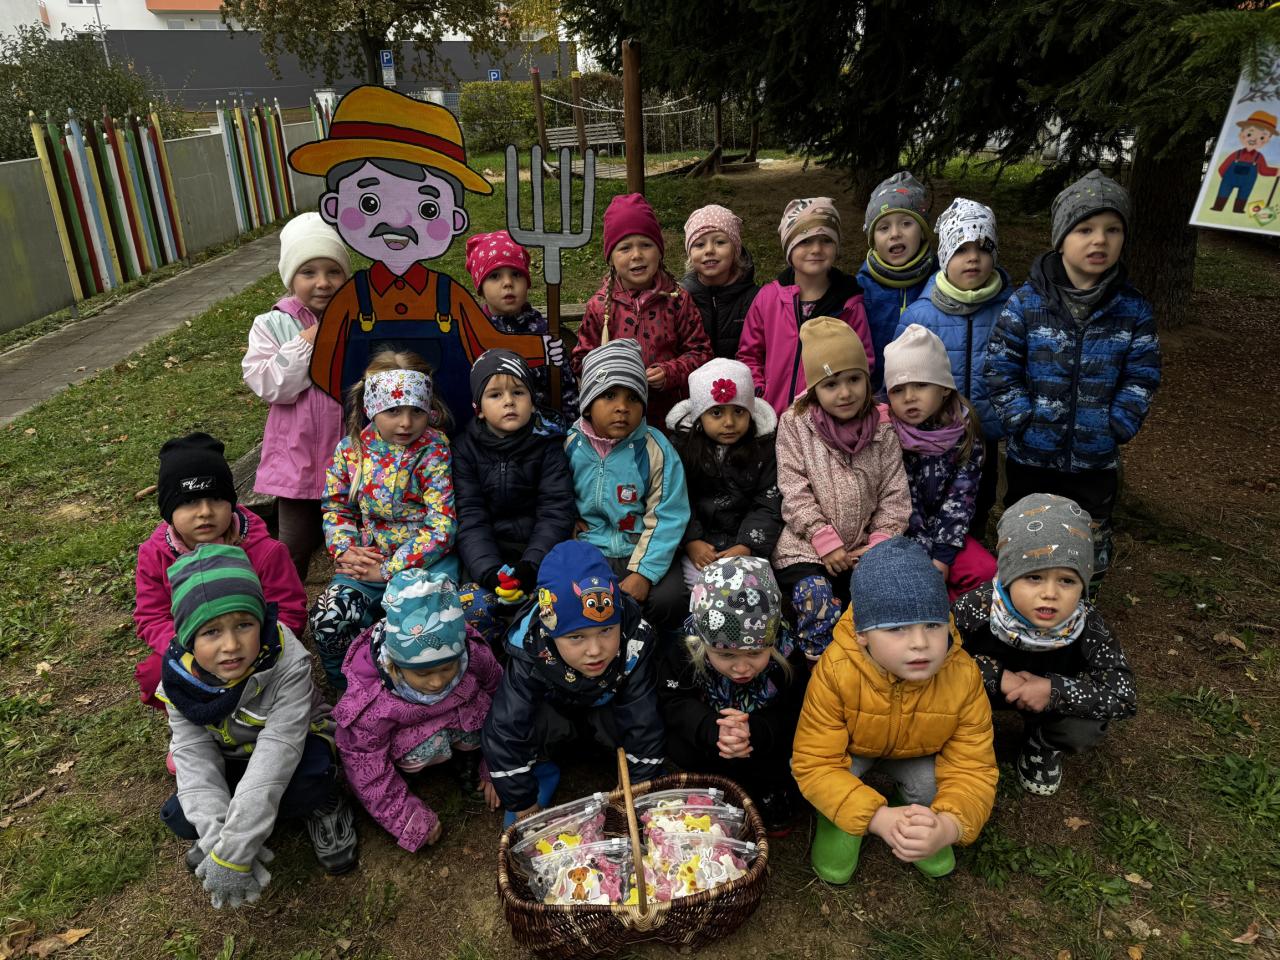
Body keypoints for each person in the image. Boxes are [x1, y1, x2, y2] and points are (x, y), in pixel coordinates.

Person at [288, 86, 563, 430]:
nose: (399, 219)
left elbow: (488, 344)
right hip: (380, 445)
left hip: (450, 441)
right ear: (333, 207)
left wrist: (541, 348)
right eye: (370, 203)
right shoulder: (353, 299)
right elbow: (326, 367)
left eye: (427, 209)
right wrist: (367, 419)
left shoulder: (447, 295)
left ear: (456, 220)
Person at [984, 169, 1161, 591]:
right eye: (1085, 229)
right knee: (1026, 534)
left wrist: (1118, 423)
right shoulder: (1027, 303)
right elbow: (1000, 365)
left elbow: (1143, 373)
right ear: (1061, 238)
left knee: (1089, 539)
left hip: (1094, 460)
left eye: (1112, 229)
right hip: (1031, 455)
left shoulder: (1132, 310)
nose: (1100, 240)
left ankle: (1081, 607)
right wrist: (1021, 418)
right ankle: (1017, 605)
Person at [156, 544, 357, 908]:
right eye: (211, 632)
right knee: (182, 816)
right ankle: (242, 821)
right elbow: (193, 755)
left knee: (311, 782)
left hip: (293, 745)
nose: (231, 645)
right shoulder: (178, 680)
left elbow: (278, 750)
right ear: (188, 638)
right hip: (233, 753)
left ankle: (323, 805)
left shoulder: (287, 661)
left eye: (244, 625)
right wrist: (220, 842)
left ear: (261, 621)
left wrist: (237, 846)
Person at [793, 538, 997, 883]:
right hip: (851, 751)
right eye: (896, 628)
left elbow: (973, 767)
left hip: (917, 752)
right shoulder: (836, 671)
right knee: (833, 779)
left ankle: (918, 813)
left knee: (932, 784)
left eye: (933, 625)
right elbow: (815, 762)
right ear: (862, 634)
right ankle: (841, 822)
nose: (920, 643)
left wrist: (948, 826)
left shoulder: (962, 675)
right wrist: (876, 818)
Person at [951, 494, 1137, 796]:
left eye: (1067, 580)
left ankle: (1044, 742)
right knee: (939, 691)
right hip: (980, 690)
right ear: (1008, 576)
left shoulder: (1088, 624)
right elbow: (939, 656)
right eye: (1034, 577)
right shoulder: (978, 605)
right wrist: (996, 676)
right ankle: (961, 737)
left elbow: (1123, 694)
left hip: (1051, 701)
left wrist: (1053, 691)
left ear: (1084, 584)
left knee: (1084, 726)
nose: (1050, 593)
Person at [482, 540, 664, 823]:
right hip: (556, 712)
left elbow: (644, 719)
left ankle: (628, 773)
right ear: (550, 630)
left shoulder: (634, 641)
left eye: (606, 630)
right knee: (525, 720)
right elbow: (505, 730)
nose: (595, 650)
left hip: (605, 708)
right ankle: (540, 770)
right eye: (576, 637)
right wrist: (521, 801)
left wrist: (640, 786)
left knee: (638, 724)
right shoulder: (530, 649)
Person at [310, 351, 456, 691]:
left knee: (425, 624)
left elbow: (442, 526)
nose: (405, 423)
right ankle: (351, 690)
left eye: (416, 411)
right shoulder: (351, 450)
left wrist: (391, 569)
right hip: (366, 560)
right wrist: (345, 550)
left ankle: (423, 690)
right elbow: (336, 508)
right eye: (393, 411)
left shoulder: (434, 450)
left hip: (424, 564)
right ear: (372, 407)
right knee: (330, 616)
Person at [134, 433, 306, 713]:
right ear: (168, 510)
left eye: (216, 499)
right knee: (155, 675)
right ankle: (199, 717)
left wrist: (255, 647)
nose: (205, 512)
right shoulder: (154, 555)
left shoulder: (265, 551)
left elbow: (289, 610)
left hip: (253, 648)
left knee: (279, 677)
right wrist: (193, 649)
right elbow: (151, 616)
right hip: (193, 648)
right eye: (189, 502)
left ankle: (256, 710)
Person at [334, 570, 502, 851]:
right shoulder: (373, 699)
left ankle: (469, 757)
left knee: (485, 709)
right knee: (423, 746)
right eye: (423, 674)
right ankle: (419, 769)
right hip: (414, 743)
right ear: (394, 664)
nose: (437, 682)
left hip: (463, 722)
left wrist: (498, 766)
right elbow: (364, 762)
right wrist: (407, 819)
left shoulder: (474, 656)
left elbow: (503, 703)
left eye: (447, 668)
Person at [773, 317, 910, 661]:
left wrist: (879, 546)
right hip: (805, 549)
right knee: (817, 599)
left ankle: (868, 670)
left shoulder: (882, 428)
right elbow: (793, 488)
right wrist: (824, 539)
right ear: (815, 389)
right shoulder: (795, 424)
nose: (845, 392)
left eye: (853, 379)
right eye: (831, 384)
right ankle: (819, 673)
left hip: (865, 548)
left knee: (877, 604)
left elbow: (894, 494)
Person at [658, 557, 807, 834]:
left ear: (772, 640)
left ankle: (769, 790)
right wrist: (711, 728)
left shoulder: (787, 653)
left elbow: (797, 708)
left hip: (763, 741)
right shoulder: (686, 648)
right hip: (711, 740)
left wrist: (756, 730)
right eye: (725, 655)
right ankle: (710, 786)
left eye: (755, 653)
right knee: (677, 744)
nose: (741, 668)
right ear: (703, 642)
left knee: (795, 752)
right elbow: (673, 700)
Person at [241, 213, 351, 582]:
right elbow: (271, 385)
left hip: (352, 462)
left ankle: (351, 606)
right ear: (290, 278)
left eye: (333, 271)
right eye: (308, 272)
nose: (323, 282)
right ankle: (285, 611)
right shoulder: (272, 324)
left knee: (354, 545)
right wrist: (308, 342)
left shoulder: (359, 319)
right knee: (294, 548)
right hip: (297, 464)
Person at [897, 198, 1012, 537]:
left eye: (983, 248)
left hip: (986, 433)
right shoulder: (921, 314)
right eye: (961, 249)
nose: (973, 257)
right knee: (925, 499)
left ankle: (970, 545)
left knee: (979, 498)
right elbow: (900, 373)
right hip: (932, 433)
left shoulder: (1010, 309)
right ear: (945, 255)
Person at [565, 339, 691, 631]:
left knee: (669, 601)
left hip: (642, 548)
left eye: (633, 398)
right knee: (576, 598)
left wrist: (643, 573)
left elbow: (669, 515)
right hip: (589, 546)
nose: (622, 407)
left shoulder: (655, 449)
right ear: (588, 403)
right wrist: (566, 522)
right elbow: (554, 495)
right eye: (609, 395)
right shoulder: (570, 445)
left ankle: (655, 653)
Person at [452, 349, 576, 644]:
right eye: (495, 395)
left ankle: (533, 657)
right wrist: (489, 572)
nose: (509, 401)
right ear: (479, 408)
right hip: (487, 558)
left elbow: (555, 511)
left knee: (554, 608)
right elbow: (470, 516)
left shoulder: (548, 445)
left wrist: (530, 566)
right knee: (472, 608)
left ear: (532, 401)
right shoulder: (464, 449)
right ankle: (490, 658)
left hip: (537, 555)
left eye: (518, 392)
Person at [571, 193, 713, 428]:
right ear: (611, 258)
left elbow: (701, 353)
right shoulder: (600, 306)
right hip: (617, 421)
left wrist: (669, 373)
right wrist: (612, 374)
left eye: (646, 245)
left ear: (659, 251)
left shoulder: (677, 300)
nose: (637, 255)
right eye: (625, 248)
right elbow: (580, 361)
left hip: (668, 419)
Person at [881, 324, 996, 601]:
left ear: (944, 388)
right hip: (902, 535)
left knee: (985, 572)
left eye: (921, 384)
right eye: (898, 390)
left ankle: (953, 618)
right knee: (909, 583)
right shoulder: (887, 433)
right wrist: (924, 555)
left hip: (949, 533)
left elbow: (961, 497)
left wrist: (943, 555)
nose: (909, 397)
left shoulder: (963, 430)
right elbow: (904, 501)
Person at [737, 197, 873, 414]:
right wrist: (759, 393)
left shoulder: (849, 305)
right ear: (789, 247)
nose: (816, 249)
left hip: (823, 420)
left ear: (836, 246)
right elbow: (749, 355)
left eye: (826, 240)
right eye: (805, 241)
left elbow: (864, 362)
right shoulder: (768, 298)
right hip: (771, 415)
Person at [665, 357, 783, 589]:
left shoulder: (764, 448)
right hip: (699, 546)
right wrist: (691, 541)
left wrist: (747, 545)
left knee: (749, 592)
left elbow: (768, 501)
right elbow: (676, 498)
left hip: (745, 542)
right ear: (699, 416)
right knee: (700, 592)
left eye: (739, 411)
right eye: (716, 413)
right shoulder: (682, 448)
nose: (729, 422)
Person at [465, 230, 579, 422]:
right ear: (481, 288)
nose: (508, 283)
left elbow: (565, 385)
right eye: (495, 276)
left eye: (516, 274)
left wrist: (570, 426)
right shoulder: (474, 331)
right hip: (491, 430)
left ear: (527, 282)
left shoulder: (542, 331)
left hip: (541, 429)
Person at [857, 172, 936, 390]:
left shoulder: (940, 282)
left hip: (927, 394)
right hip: (875, 395)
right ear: (873, 239)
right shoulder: (861, 288)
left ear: (922, 231)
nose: (895, 234)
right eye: (883, 228)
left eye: (906, 223)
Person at [679, 204, 759, 359]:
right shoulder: (681, 299)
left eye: (720, 242)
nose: (709, 250)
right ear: (690, 253)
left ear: (735, 249)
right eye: (699, 244)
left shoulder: (757, 300)